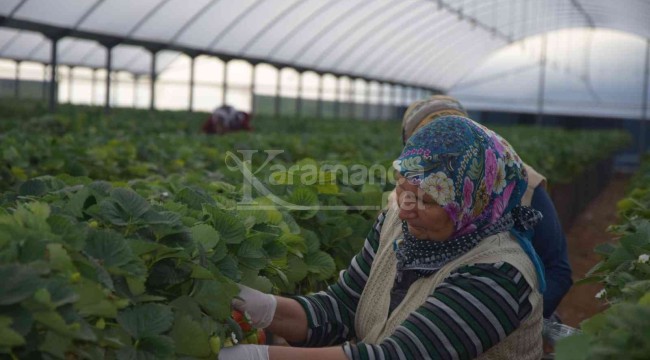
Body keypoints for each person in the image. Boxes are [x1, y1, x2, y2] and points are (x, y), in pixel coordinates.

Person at [219, 115, 545, 359]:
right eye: (403, 188)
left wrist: (261, 357)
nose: (405, 209)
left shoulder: (500, 274)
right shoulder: (396, 223)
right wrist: (264, 308)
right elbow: (342, 307)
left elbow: (397, 356)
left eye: (426, 200)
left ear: (472, 203)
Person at [398, 95, 572, 319]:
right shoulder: (404, 198)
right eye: (426, 140)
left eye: (452, 137)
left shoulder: (525, 184)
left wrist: (518, 319)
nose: (440, 153)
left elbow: (558, 269)